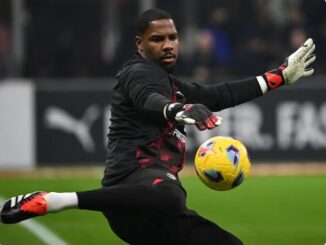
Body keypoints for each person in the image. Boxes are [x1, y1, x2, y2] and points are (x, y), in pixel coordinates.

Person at [0, 8, 316, 245]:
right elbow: (147, 98)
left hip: (155, 215)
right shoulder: (136, 72)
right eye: (158, 39)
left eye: (173, 38)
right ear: (140, 44)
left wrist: (280, 76)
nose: (168, 45)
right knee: (171, 195)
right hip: (132, 184)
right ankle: (57, 200)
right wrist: (176, 110)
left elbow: (220, 94)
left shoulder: (171, 83)